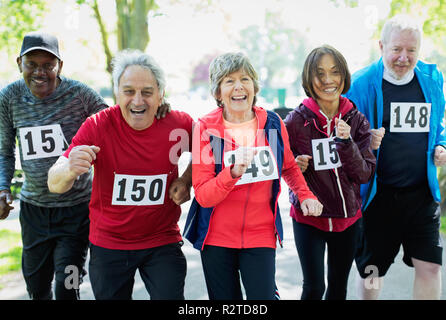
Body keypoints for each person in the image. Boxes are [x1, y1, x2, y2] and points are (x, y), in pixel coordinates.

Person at [47, 49, 193, 300]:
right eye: (129, 92)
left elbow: (208, 151)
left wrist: (186, 179)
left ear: (161, 94)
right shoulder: (97, 125)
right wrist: (69, 168)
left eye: (147, 92)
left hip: (161, 240)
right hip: (110, 244)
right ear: (116, 93)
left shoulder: (179, 124)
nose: (138, 101)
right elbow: (54, 183)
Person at [184, 52, 323, 300]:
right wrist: (233, 173)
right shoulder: (205, 127)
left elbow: (289, 167)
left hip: (260, 234)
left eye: (245, 79)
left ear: (254, 86)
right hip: (216, 239)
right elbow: (204, 195)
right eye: (229, 81)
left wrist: (305, 195)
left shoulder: (272, 123)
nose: (238, 87)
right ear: (218, 92)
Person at [0, 31, 109, 300]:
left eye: (48, 65)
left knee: (68, 285)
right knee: (37, 289)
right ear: (19, 64)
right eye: (32, 64)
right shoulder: (9, 98)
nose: (40, 72)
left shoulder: (80, 95)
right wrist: (3, 188)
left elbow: (114, 125)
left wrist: (155, 104)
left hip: (76, 211)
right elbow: (4, 151)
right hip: (34, 212)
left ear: (60, 66)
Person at [345, 14, 446, 300]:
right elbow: (344, 137)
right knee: (372, 271)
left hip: (421, 194)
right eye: (397, 50)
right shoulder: (361, 84)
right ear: (382, 46)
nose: (404, 58)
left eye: (411, 51)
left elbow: (438, 124)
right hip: (378, 195)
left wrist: (442, 145)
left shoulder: (431, 78)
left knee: (430, 267)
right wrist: (366, 141)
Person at [284, 45, 376, 300]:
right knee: (314, 288)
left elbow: (364, 174)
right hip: (309, 218)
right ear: (308, 78)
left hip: (348, 219)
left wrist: (346, 144)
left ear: (343, 76)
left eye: (334, 72)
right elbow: (283, 166)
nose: (327, 80)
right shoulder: (294, 121)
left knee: (338, 288)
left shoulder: (357, 120)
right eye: (319, 73)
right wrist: (295, 165)